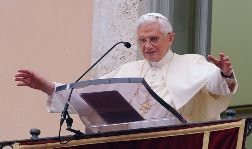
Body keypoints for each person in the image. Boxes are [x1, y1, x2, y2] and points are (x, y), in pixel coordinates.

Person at [15, 12, 237, 123]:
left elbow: (215, 85)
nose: (147, 46)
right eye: (142, 40)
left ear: (170, 38)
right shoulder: (128, 71)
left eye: (153, 39)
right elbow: (90, 95)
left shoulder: (191, 63)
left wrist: (224, 74)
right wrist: (49, 87)